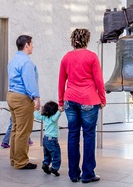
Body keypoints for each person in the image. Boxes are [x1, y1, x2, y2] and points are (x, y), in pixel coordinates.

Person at [58, 28, 106, 184]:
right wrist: (102, 98)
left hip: (70, 100)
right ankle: (88, 174)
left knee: (72, 135)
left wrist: (60, 101)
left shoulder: (66, 57)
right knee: (89, 136)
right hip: (88, 100)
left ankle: (73, 174)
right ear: (87, 40)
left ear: (74, 40)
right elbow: (98, 80)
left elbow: (61, 81)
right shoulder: (91, 56)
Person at [7, 35, 40, 169]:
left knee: (15, 129)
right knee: (23, 131)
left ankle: (14, 159)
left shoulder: (13, 60)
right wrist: (36, 97)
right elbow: (29, 82)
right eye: (31, 44)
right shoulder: (26, 62)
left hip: (11, 95)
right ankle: (21, 162)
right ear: (26, 44)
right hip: (22, 98)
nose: (33, 46)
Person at [33, 100, 62, 176]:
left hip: (45, 139)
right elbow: (55, 118)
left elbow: (37, 116)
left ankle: (45, 164)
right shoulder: (53, 118)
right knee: (56, 155)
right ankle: (54, 168)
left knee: (47, 154)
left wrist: (35, 110)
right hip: (52, 140)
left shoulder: (44, 117)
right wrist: (60, 111)